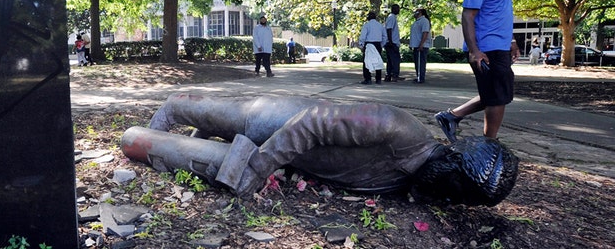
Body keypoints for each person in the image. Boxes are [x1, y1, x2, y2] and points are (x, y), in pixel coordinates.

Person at [121, 93, 519, 206]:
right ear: (454, 162)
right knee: (193, 111)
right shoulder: (397, 129)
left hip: (290, 157)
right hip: (273, 121)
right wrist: (261, 166)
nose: (453, 202)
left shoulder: (419, 174)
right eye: (457, 193)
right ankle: (164, 122)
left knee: (193, 144)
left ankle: (171, 139)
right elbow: (314, 121)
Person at [435, 0, 519, 143]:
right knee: (498, 97)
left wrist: (511, 41)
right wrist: (474, 51)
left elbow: (499, 14)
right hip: (486, 49)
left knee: (496, 94)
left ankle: (451, 117)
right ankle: (489, 144)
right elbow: (467, 16)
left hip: (499, 46)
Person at [358, 12, 386, 85]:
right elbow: (385, 36)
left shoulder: (367, 25)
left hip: (369, 44)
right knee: (378, 61)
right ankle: (378, 79)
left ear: (368, 17)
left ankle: (368, 78)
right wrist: (381, 45)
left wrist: (361, 45)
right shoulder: (380, 26)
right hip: (377, 44)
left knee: (367, 61)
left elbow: (363, 36)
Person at [410, 8, 431, 83]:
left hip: (422, 46)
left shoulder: (424, 21)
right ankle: (418, 76)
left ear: (420, 12)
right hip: (416, 45)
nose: (414, 13)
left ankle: (421, 78)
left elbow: (425, 33)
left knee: (421, 62)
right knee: (417, 63)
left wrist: (421, 44)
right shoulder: (416, 22)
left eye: (416, 11)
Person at [384, 4, 402, 82]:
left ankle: (388, 75)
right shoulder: (391, 17)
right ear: (393, 9)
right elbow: (389, 29)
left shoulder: (392, 17)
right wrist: (390, 41)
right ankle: (394, 75)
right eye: (397, 8)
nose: (398, 10)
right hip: (392, 42)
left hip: (392, 42)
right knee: (395, 60)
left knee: (390, 60)